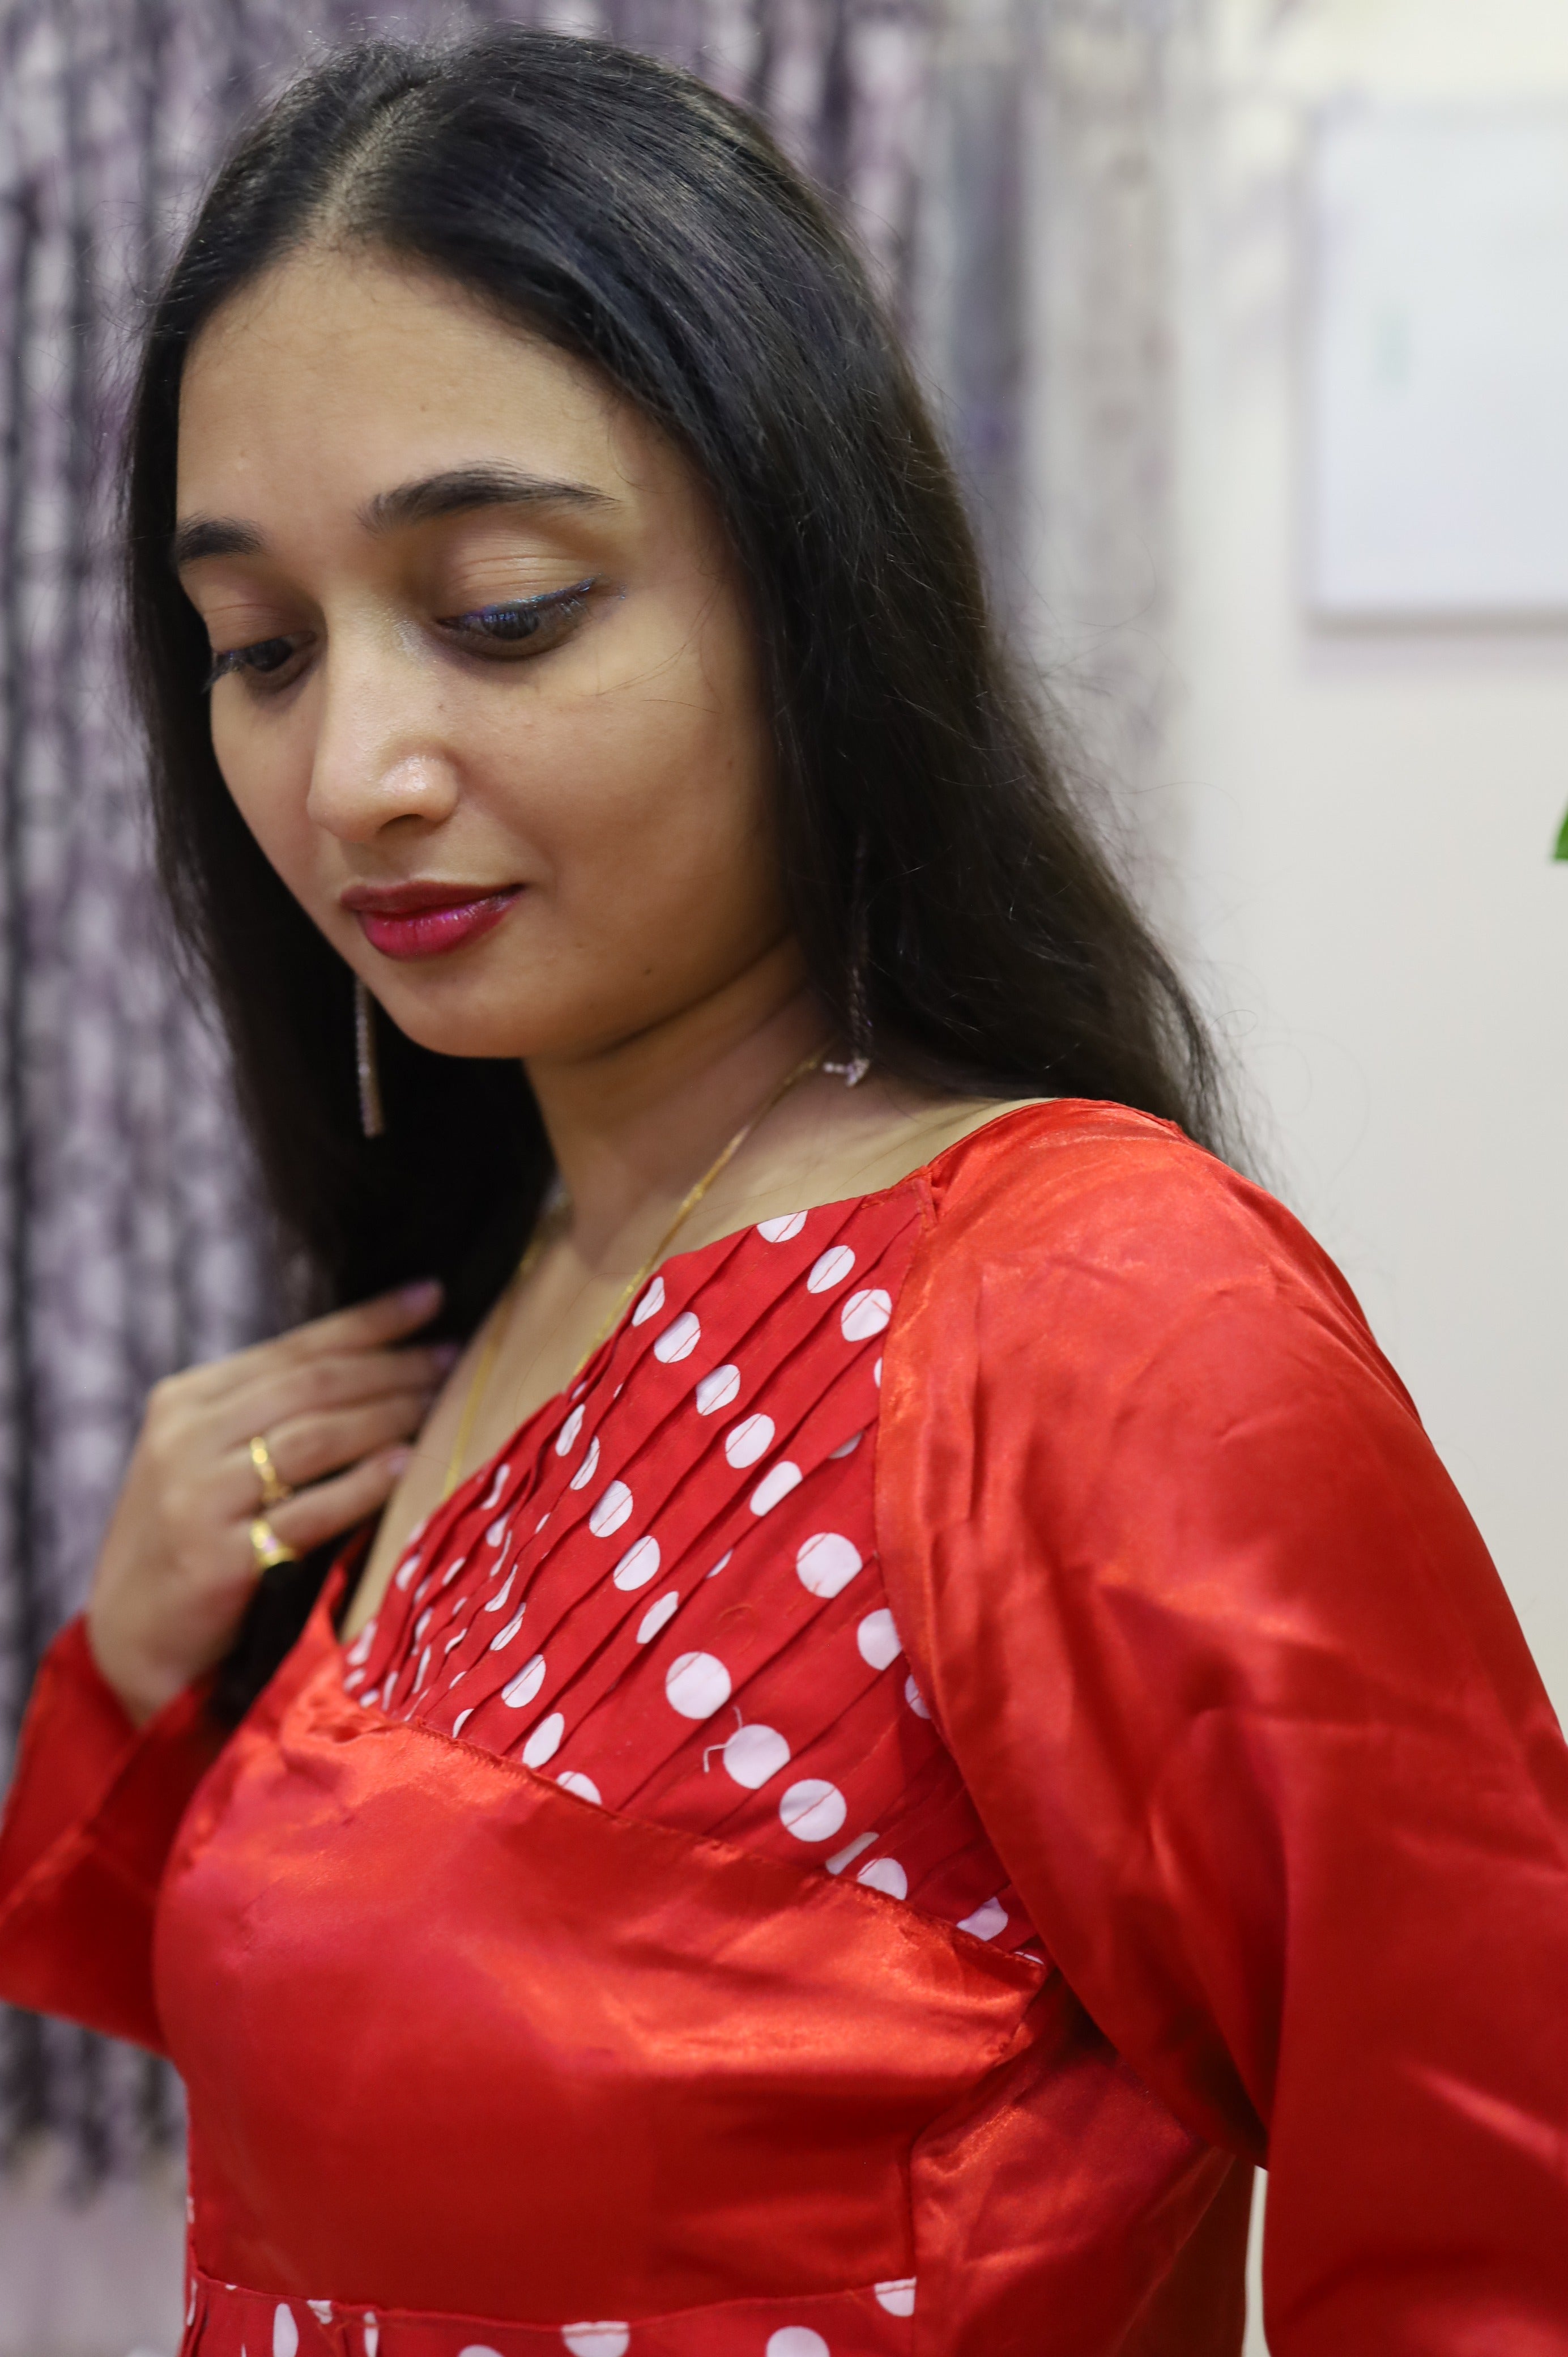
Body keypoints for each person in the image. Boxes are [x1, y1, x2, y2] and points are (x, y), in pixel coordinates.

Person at [1, 27, 1564, 2357]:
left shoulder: (1096, 1317)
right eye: (260, 649)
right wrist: (135, 1669)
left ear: (811, 592)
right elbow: (362, 2034)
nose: (351, 770)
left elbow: (1490, 2228)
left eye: (505, 606)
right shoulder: (496, 1276)